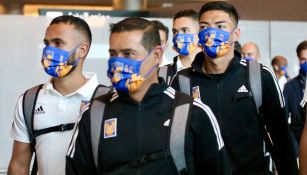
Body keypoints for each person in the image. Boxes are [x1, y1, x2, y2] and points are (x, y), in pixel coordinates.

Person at [66, 17, 229, 175]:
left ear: (156, 55)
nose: (118, 63)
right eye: (113, 54)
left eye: (129, 54)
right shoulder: (93, 114)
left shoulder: (193, 112)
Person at [171, 1, 298, 174]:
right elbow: (175, 143)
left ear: (235, 34)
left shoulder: (258, 76)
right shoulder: (182, 81)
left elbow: (281, 138)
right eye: (204, 26)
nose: (211, 32)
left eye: (220, 26)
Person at [8, 15, 99, 175]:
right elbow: (19, 165)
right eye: (46, 43)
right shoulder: (29, 101)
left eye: (58, 43)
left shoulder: (104, 100)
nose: (49, 51)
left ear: (82, 50)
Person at [158, 10, 202, 85]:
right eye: (175, 32)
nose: (178, 37)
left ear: (200, 33)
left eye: (185, 30)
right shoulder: (161, 73)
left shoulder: (211, 70)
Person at [284, 41, 307, 147]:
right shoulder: (289, 87)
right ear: (298, 59)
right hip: (298, 144)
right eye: (303, 59)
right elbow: (283, 118)